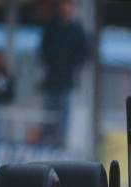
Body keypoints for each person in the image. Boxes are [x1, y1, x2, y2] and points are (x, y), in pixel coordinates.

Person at [40, 0, 88, 146]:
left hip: (67, 82)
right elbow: (43, 51)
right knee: (49, 116)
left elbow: (83, 53)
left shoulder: (77, 30)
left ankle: (61, 144)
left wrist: (71, 66)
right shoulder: (51, 28)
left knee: (64, 119)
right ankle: (46, 143)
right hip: (51, 81)